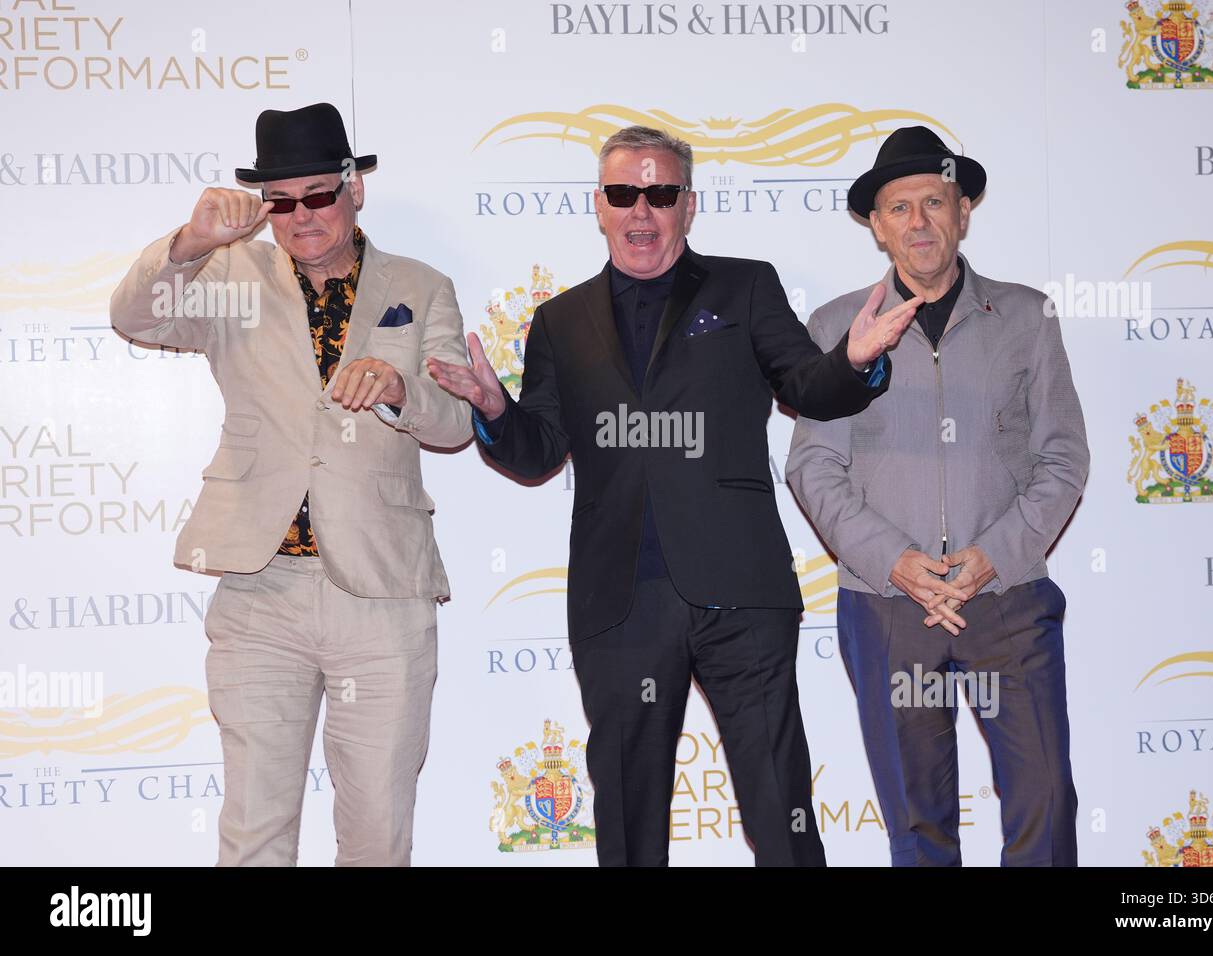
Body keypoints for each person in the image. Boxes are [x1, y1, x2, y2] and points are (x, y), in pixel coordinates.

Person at [426, 125, 919, 866]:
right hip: (621, 603)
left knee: (779, 807)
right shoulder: (559, 321)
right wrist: (496, 410)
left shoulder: (746, 286)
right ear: (600, 204)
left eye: (661, 194)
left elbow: (805, 387)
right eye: (625, 193)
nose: (642, 211)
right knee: (629, 824)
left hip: (741, 594)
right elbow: (539, 452)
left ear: (689, 205)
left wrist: (852, 360)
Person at [109, 102, 472, 866]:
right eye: (281, 201)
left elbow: (455, 423)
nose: (302, 215)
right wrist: (190, 241)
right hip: (258, 588)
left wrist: (403, 388)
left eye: (319, 194)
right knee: (255, 832)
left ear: (354, 189)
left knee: (377, 833)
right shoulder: (228, 276)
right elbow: (134, 316)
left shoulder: (423, 285)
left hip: (382, 596)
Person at [786, 126, 1089, 866]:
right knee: (918, 828)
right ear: (877, 227)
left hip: (1007, 601)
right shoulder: (834, 327)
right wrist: (897, 562)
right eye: (898, 208)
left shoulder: (1026, 317)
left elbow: (1063, 457)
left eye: (933, 201)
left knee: (1045, 806)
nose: (918, 222)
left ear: (962, 213)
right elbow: (812, 470)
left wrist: (993, 556)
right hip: (888, 610)